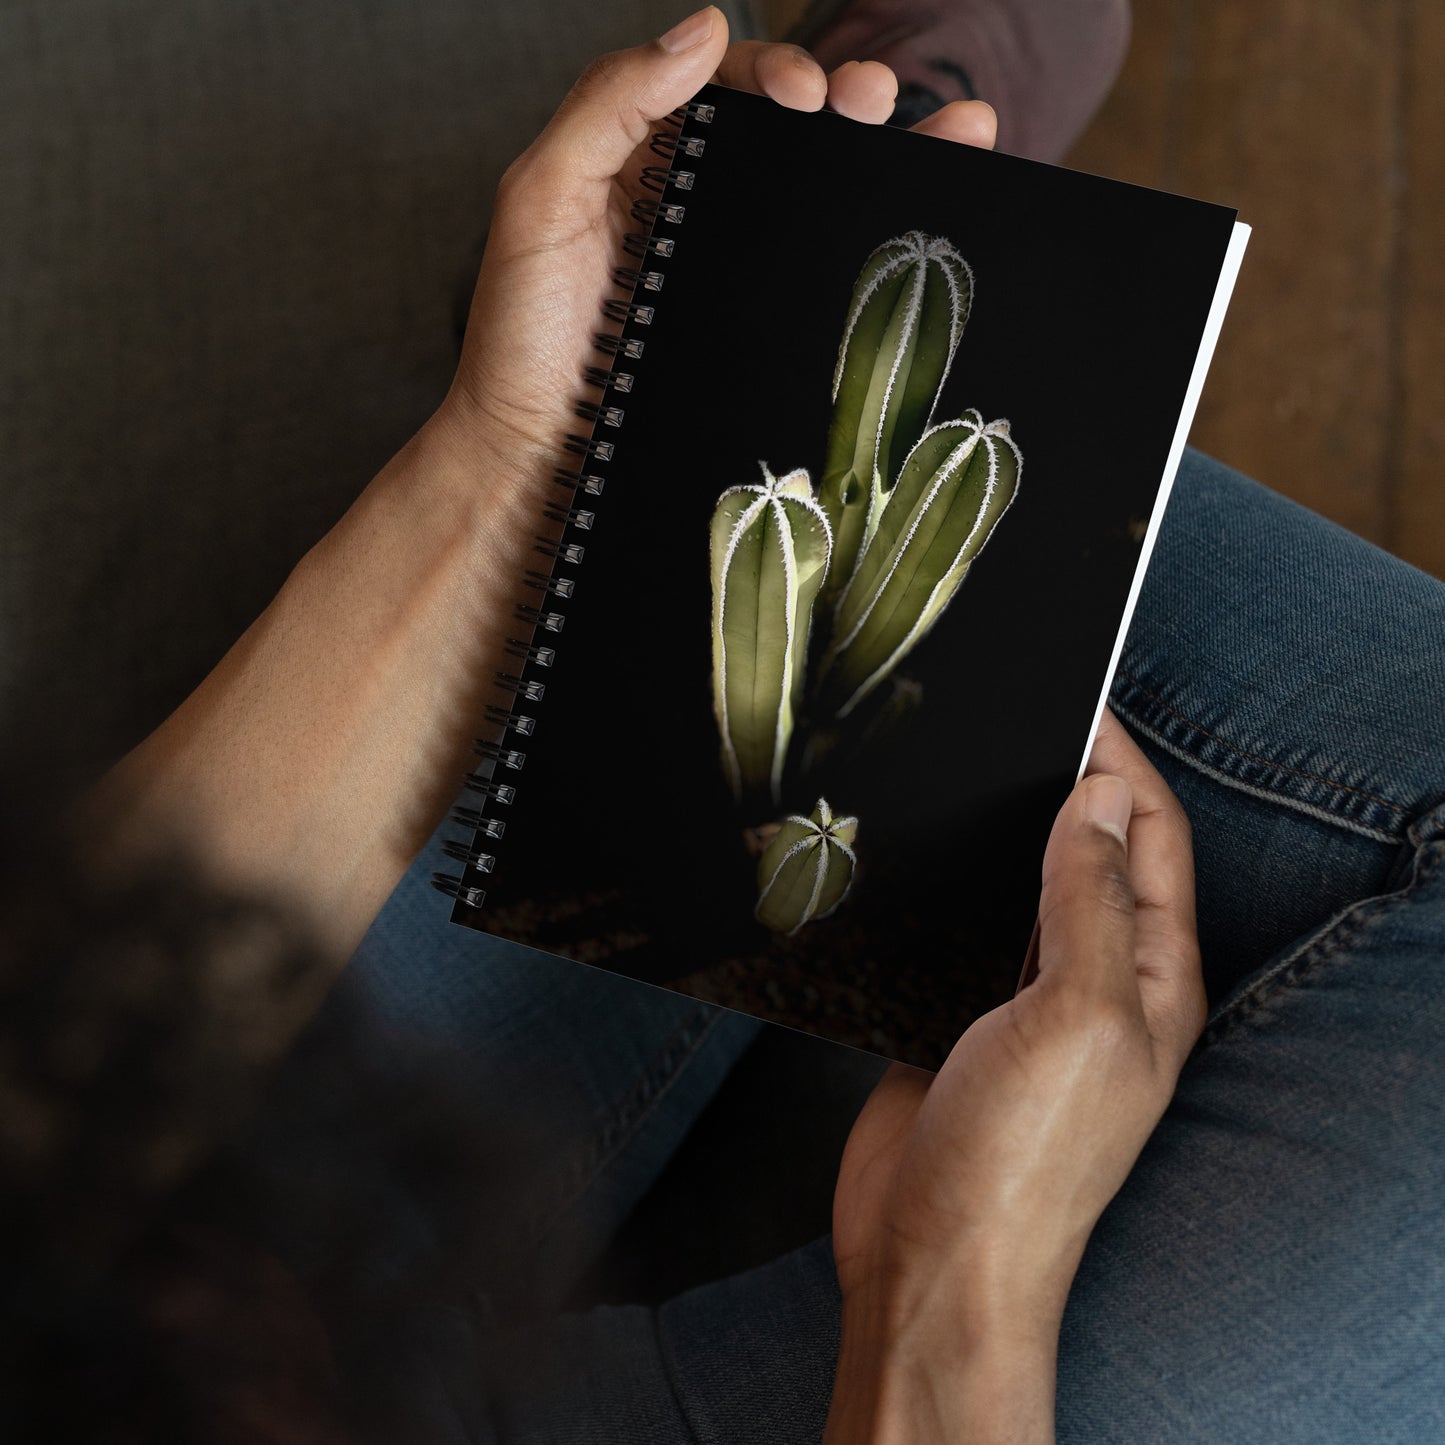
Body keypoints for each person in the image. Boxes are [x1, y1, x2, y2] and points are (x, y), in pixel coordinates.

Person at [5, 8, 1442, 1442]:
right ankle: (808, 268)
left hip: (142, 1297)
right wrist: (946, 1295)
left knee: (675, 567)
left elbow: (46, 1082)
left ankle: (717, 331)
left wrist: (501, 467)